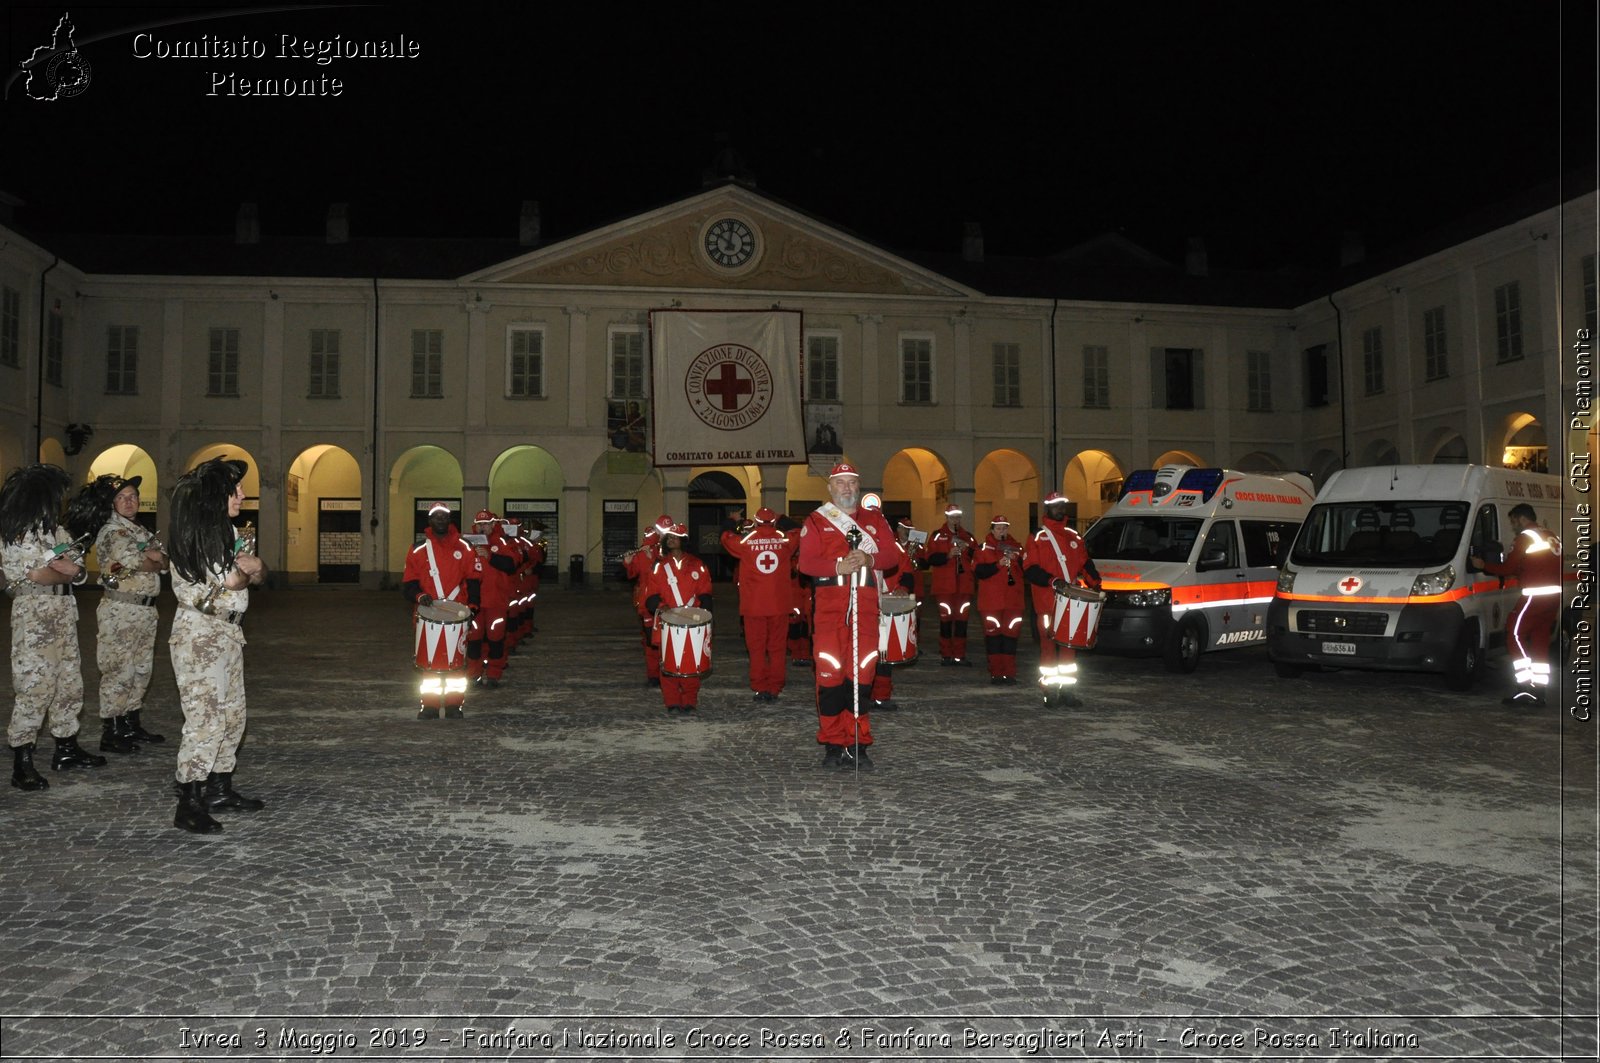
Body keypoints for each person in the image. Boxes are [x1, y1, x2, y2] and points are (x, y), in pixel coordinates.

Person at [167, 457, 266, 834]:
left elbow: (256, 574)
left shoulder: (223, 531)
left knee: (232, 716)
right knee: (205, 719)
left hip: (228, 633)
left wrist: (253, 569)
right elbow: (235, 580)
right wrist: (250, 569)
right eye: (234, 489)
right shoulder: (199, 532)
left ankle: (219, 788)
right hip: (201, 635)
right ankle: (189, 801)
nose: (242, 494)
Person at [2, 463, 104, 791]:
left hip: (63, 612)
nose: (60, 501)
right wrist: (68, 572)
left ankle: (66, 747)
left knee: (69, 685)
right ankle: (22, 760)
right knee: (35, 688)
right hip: (34, 617)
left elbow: (80, 569)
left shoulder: (56, 531)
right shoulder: (17, 532)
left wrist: (71, 571)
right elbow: (36, 575)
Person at [797, 462, 903, 769]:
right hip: (830, 609)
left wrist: (869, 557)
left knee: (861, 676)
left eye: (852, 483)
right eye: (841, 483)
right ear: (830, 488)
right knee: (830, 676)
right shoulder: (817, 521)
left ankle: (858, 741)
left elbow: (892, 557)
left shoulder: (874, 519)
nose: (847, 488)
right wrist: (836, 567)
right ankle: (832, 742)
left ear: (858, 487)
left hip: (866, 607)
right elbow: (806, 563)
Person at [66, 474, 168, 752]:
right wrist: (153, 558)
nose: (129, 502)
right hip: (121, 609)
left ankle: (130, 723)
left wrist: (155, 558)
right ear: (112, 503)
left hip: (146, 609)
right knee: (118, 671)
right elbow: (142, 562)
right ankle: (111, 731)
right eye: (122, 497)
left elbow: (164, 560)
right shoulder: (112, 532)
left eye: (133, 496)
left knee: (141, 669)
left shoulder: (141, 531)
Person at [1470, 502, 1563, 707]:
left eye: (1513, 521)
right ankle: (1539, 691)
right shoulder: (1551, 535)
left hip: (1534, 596)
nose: (1513, 526)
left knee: (1513, 634)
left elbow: (1507, 567)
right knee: (1539, 641)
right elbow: (1541, 564)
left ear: (1522, 518)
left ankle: (1525, 688)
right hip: (1553, 597)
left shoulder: (1525, 538)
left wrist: (1483, 565)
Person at [401, 502, 482, 719]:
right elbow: (408, 584)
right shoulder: (417, 549)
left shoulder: (464, 547)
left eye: (444, 517)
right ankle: (430, 706)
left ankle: (455, 706)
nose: (440, 520)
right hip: (428, 615)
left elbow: (474, 579)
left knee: (457, 666)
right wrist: (419, 596)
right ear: (429, 520)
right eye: (436, 517)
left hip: (458, 613)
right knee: (429, 665)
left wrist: (473, 606)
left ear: (449, 520)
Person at [1023, 491, 1101, 707]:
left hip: (1071, 603)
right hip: (1047, 604)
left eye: (1062, 506)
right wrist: (1053, 580)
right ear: (1047, 509)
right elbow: (1029, 569)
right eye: (1056, 506)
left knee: (1069, 648)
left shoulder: (1074, 536)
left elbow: (1085, 564)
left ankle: (1067, 692)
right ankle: (1049, 692)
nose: (1060, 509)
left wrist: (1096, 583)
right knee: (1048, 648)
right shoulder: (1038, 536)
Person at [721, 507, 800, 703]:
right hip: (779, 605)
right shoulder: (784, 539)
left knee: (756, 648)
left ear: (755, 522)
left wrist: (733, 521)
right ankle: (775, 687)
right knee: (778, 648)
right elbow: (799, 532)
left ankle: (759, 687)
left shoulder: (747, 541)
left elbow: (725, 537)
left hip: (753, 605)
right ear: (774, 522)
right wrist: (783, 519)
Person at [643, 523, 713, 714]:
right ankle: (672, 702)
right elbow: (650, 595)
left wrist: (703, 618)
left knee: (692, 663)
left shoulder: (698, 564)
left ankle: (689, 701)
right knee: (667, 664)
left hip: (692, 623)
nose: (671, 539)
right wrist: (660, 606)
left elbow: (705, 593)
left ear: (684, 540)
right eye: (669, 536)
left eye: (676, 536)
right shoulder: (660, 567)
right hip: (667, 621)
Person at [866, 508, 918, 712]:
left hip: (887, 605)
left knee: (884, 655)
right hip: (864, 603)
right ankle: (862, 695)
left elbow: (907, 572)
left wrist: (903, 590)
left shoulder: (894, 548)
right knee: (864, 655)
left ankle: (881, 695)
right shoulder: (856, 545)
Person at [973, 514, 1026, 685]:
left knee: (1011, 637)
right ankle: (996, 673)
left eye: (1004, 527)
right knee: (993, 637)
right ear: (992, 529)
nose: (1001, 531)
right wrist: (998, 564)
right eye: (998, 528)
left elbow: (1028, 569)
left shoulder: (1017, 547)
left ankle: (1009, 673)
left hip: (1013, 601)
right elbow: (979, 571)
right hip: (990, 602)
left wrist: (1016, 560)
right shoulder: (982, 549)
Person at [468, 509, 517, 688]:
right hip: (475, 601)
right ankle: (474, 674)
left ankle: (494, 674)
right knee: (473, 639)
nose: (483, 527)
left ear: (493, 525)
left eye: (486, 524)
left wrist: (491, 557)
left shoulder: (502, 542)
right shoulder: (467, 544)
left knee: (496, 639)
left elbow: (512, 565)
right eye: (480, 524)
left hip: (497, 600)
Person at [625, 514, 675, 686]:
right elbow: (633, 574)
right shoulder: (645, 550)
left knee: (669, 638)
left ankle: (669, 671)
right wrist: (628, 562)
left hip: (669, 600)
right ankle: (654, 675)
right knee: (650, 640)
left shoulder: (672, 548)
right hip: (648, 602)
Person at [926, 503, 977, 665]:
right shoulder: (936, 535)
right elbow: (930, 558)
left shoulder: (968, 536)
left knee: (962, 622)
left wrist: (967, 549)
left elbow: (978, 557)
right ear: (947, 517)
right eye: (952, 516)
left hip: (964, 586)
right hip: (944, 587)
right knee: (946, 621)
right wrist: (948, 555)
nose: (956, 519)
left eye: (958, 517)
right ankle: (946, 655)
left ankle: (959, 655)